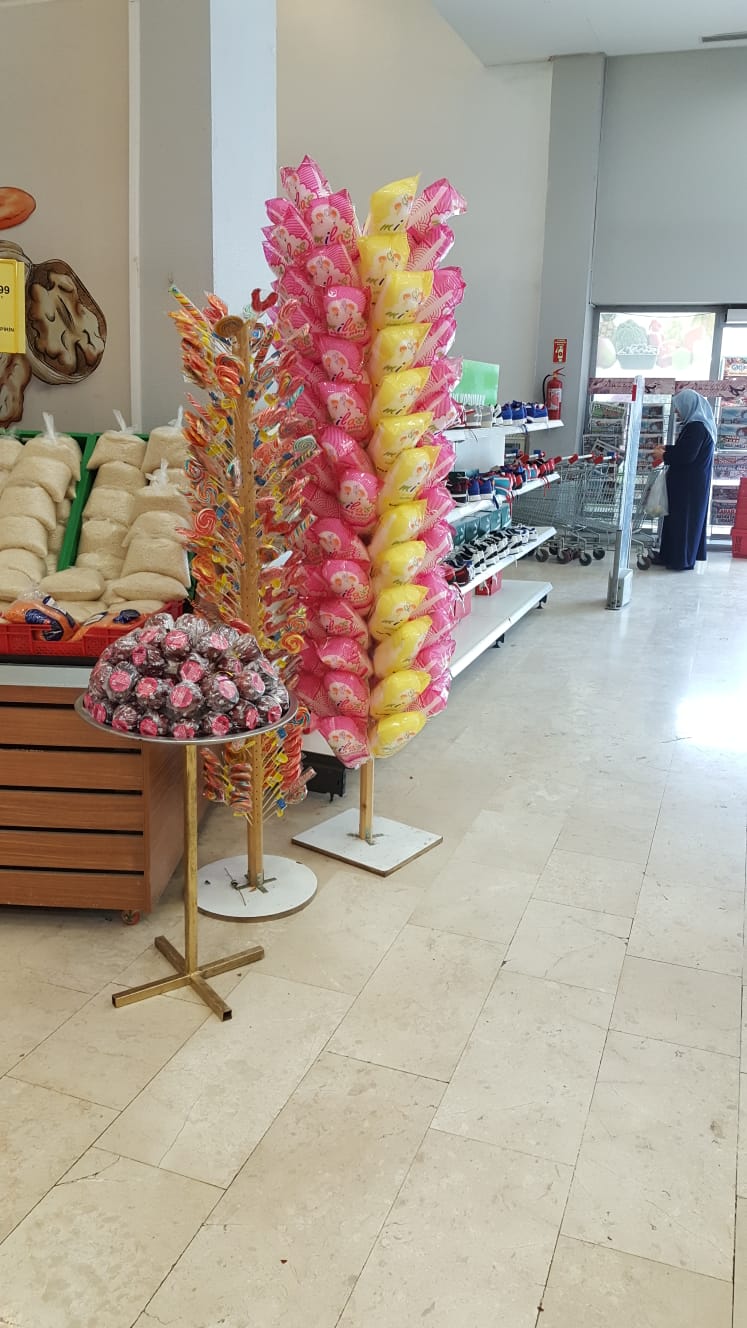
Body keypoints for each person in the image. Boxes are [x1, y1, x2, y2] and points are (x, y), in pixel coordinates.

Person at [652, 388, 716, 570]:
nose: (676, 411)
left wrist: (664, 455)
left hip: (688, 486)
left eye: (679, 407)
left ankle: (680, 560)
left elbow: (687, 455)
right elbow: (687, 450)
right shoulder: (699, 426)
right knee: (679, 520)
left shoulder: (696, 427)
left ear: (689, 406)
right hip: (691, 484)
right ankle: (670, 556)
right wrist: (668, 449)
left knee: (683, 522)